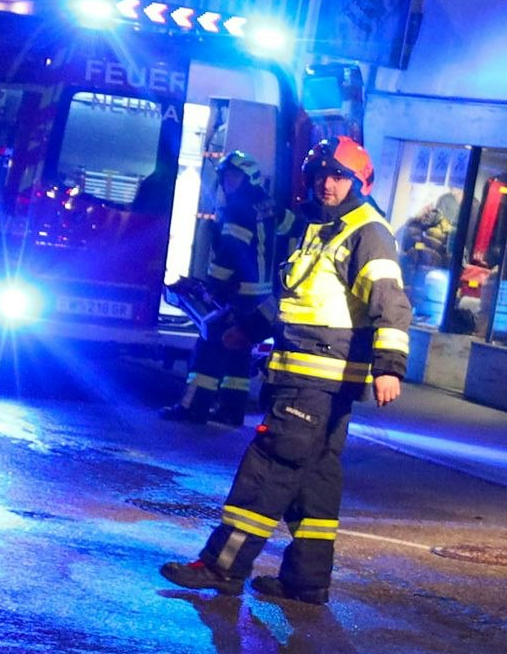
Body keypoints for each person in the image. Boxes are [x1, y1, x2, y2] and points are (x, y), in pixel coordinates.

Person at [160, 134, 412, 603]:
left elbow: (391, 303)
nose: (327, 184)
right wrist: (249, 330)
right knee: (315, 478)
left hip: (317, 380)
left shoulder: (366, 231)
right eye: (320, 175)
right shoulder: (321, 227)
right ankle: (306, 582)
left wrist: (390, 366)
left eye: (338, 176)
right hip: (306, 377)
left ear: (358, 181)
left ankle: (222, 565)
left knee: (269, 466)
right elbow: (295, 297)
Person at [168, 157, 271, 425]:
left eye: (234, 177)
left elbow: (228, 255)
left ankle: (194, 408)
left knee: (209, 347)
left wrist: (210, 287)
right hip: (261, 297)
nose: (228, 182)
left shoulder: (237, 210)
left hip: (236, 294)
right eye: (226, 177)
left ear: (249, 179)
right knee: (238, 352)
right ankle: (231, 411)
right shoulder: (272, 208)